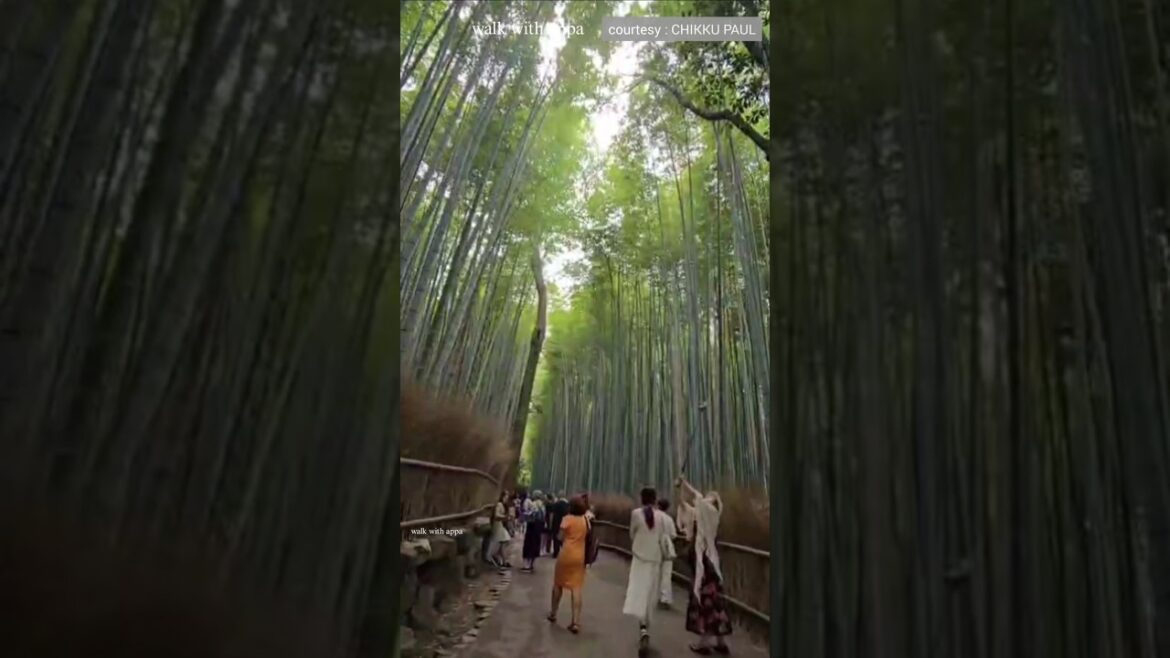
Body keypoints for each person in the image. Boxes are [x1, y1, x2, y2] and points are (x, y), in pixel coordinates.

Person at [677, 477, 732, 655]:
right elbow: (686, 505)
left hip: (705, 563)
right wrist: (680, 489)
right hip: (711, 563)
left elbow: (697, 496)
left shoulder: (709, 511)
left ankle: (704, 643)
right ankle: (720, 642)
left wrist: (684, 482)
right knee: (716, 602)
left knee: (705, 602)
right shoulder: (709, 516)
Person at [622, 486, 670, 656]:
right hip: (655, 560)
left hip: (639, 559)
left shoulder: (636, 514)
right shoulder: (662, 517)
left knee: (639, 594)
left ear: (642, 499)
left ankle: (643, 629)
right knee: (650, 595)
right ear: (655, 499)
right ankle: (645, 627)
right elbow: (664, 538)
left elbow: (632, 534)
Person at [547, 495, 589, 634]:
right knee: (576, 588)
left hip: (566, 555)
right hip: (579, 557)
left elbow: (559, 537)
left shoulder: (567, 519)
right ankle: (575, 622)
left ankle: (553, 613)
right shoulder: (585, 520)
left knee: (558, 584)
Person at [656, 498, 678, 608]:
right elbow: (674, 535)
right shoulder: (669, 519)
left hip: (655, 546)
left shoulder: (653, 516)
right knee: (666, 574)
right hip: (667, 548)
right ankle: (665, 598)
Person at [521, 491, 545, 572]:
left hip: (532, 526)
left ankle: (526, 565)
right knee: (535, 544)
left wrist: (524, 517)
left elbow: (530, 514)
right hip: (539, 527)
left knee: (529, 544)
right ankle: (531, 564)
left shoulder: (533, 504)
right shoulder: (542, 505)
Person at [488, 491, 512, 570]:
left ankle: (503, 561)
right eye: (505, 497)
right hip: (498, 525)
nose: (506, 499)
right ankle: (499, 560)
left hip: (500, 525)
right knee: (503, 541)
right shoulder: (499, 504)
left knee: (503, 543)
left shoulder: (503, 505)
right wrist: (505, 517)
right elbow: (496, 515)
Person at [548, 493, 569, 558]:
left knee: (556, 538)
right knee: (564, 539)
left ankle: (556, 553)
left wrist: (550, 524)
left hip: (556, 523)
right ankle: (565, 553)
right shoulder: (568, 505)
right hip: (565, 523)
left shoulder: (556, 504)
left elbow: (552, 515)